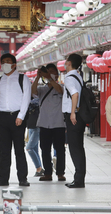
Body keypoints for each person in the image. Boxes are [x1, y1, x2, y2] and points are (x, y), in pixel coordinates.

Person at [0, 53, 31, 187]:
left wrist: (21, 116)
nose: (5, 64)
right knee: (4, 150)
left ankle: (22, 178)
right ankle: (3, 178)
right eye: (3, 62)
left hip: (17, 117)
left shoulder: (22, 78)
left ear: (14, 64)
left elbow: (26, 98)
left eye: (8, 62)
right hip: (2, 117)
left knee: (19, 149)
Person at [32, 63, 65, 182]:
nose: (49, 73)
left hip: (59, 123)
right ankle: (48, 173)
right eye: (47, 71)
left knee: (60, 149)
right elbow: (33, 91)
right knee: (45, 149)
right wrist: (38, 76)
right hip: (44, 123)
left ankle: (60, 173)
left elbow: (59, 90)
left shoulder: (62, 87)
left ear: (57, 74)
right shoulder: (42, 88)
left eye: (52, 71)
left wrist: (49, 78)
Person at [62, 53, 86, 189]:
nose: (65, 63)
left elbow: (75, 94)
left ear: (69, 63)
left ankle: (78, 180)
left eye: (66, 61)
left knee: (74, 148)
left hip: (73, 117)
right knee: (79, 148)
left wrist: (72, 113)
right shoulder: (78, 76)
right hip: (79, 115)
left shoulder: (69, 77)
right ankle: (79, 178)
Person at [25, 97, 43, 178]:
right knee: (35, 149)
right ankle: (39, 169)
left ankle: (39, 168)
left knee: (29, 148)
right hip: (31, 126)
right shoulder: (28, 97)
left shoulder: (37, 100)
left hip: (38, 126)